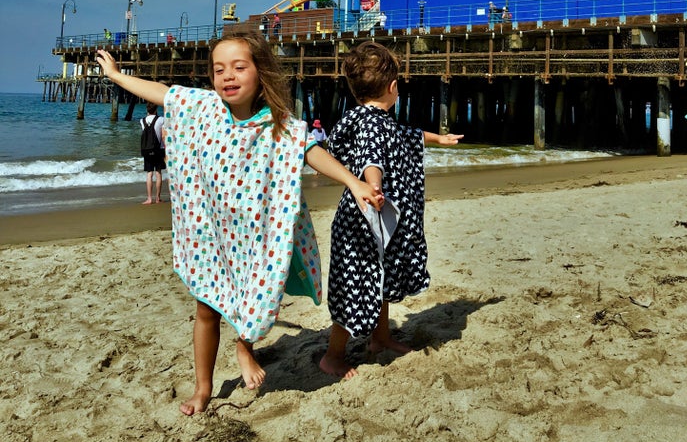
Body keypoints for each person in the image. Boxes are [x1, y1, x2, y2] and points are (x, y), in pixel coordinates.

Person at [96, 33, 382, 416]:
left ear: (259, 72)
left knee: (259, 299)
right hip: (211, 234)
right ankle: (203, 388)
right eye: (219, 69)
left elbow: (311, 152)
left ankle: (244, 346)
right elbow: (162, 92)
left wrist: (353, 182)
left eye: (238, 67)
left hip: (255, 235)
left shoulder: (280, 125)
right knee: (206, 309)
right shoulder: (202, 107)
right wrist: (116, 75)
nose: (227, 76)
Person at [319, 41, 463, 379]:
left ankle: (380, 339)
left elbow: (404, 135)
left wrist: (437, 139)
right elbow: (372, 157)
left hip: (377, 219)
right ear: (393, 87)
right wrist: (374, 186)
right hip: (365, 220)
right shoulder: (371, 125)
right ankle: (333, 356)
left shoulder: (373, 119)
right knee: (357, 286)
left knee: (381, 277)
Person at [140, 101, 165, 204]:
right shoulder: (161, 119)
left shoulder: (142, 121)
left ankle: (149, 198)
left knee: (149, 174)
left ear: (147, 110)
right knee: (158, 173)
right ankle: (158, 198)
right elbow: (163, 135)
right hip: (158, 149)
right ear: (156, 109)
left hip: (146, 149)